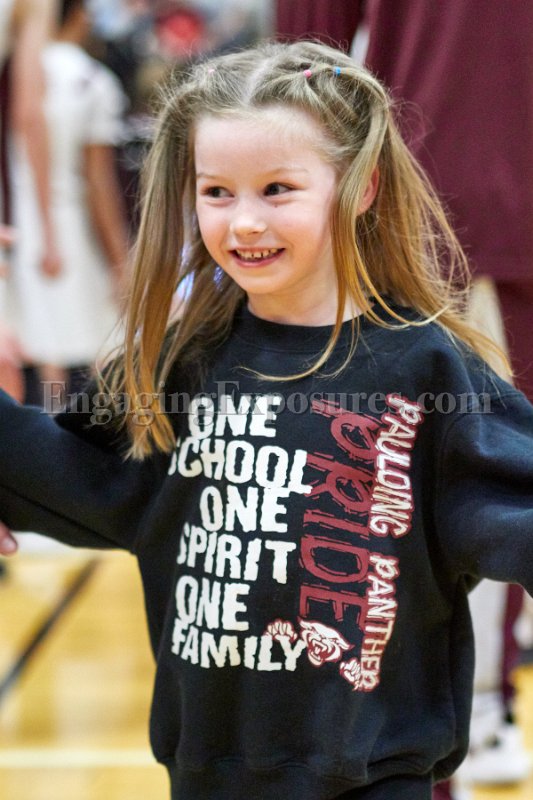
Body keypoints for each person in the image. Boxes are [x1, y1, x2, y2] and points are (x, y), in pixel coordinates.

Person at [0, 39, 533, 800]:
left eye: (277, 189)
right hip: (204, 779)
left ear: (360, 187)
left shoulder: (427, 374)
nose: (244, 221)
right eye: (217, 192)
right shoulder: (182, 365)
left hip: (373, 779)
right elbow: (60, 470)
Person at [6, 0, 129, 402]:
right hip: (67, 222)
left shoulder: (20, 70)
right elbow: (99, 183)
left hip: (16, 216)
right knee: (91, 342)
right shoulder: (93, 79)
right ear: (81, 16)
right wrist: (120, 261)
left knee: (35, 343)